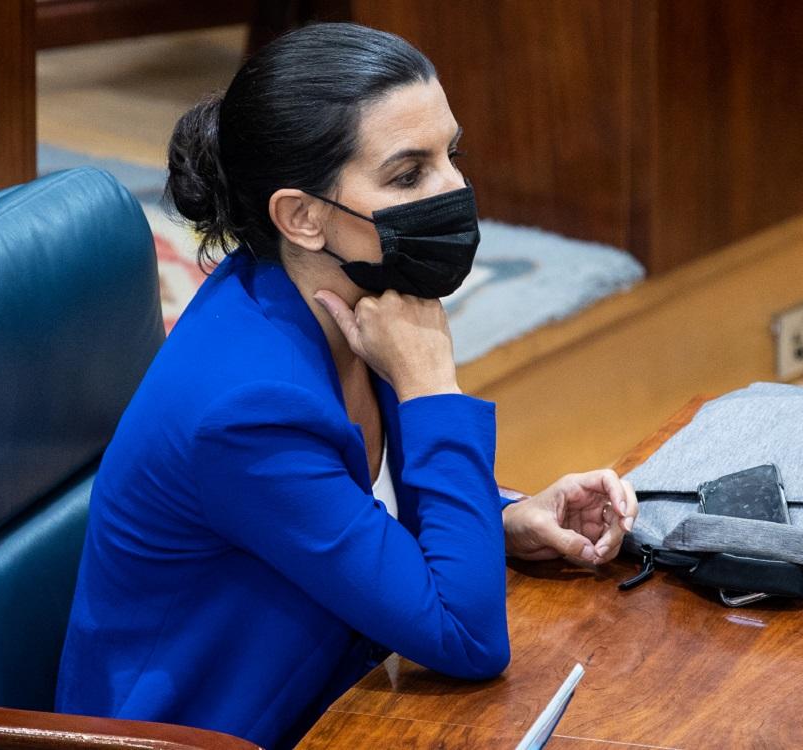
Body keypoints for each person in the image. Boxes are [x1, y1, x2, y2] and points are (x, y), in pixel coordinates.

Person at [54, 22, 638, 750]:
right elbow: (465, 639)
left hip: (337, 688)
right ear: (300, 217)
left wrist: (502, 518)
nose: (453, 193)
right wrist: (430, 387)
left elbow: (347, 510)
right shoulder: (247, 410)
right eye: (407, 174)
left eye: (449, 156)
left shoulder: (344, 300)